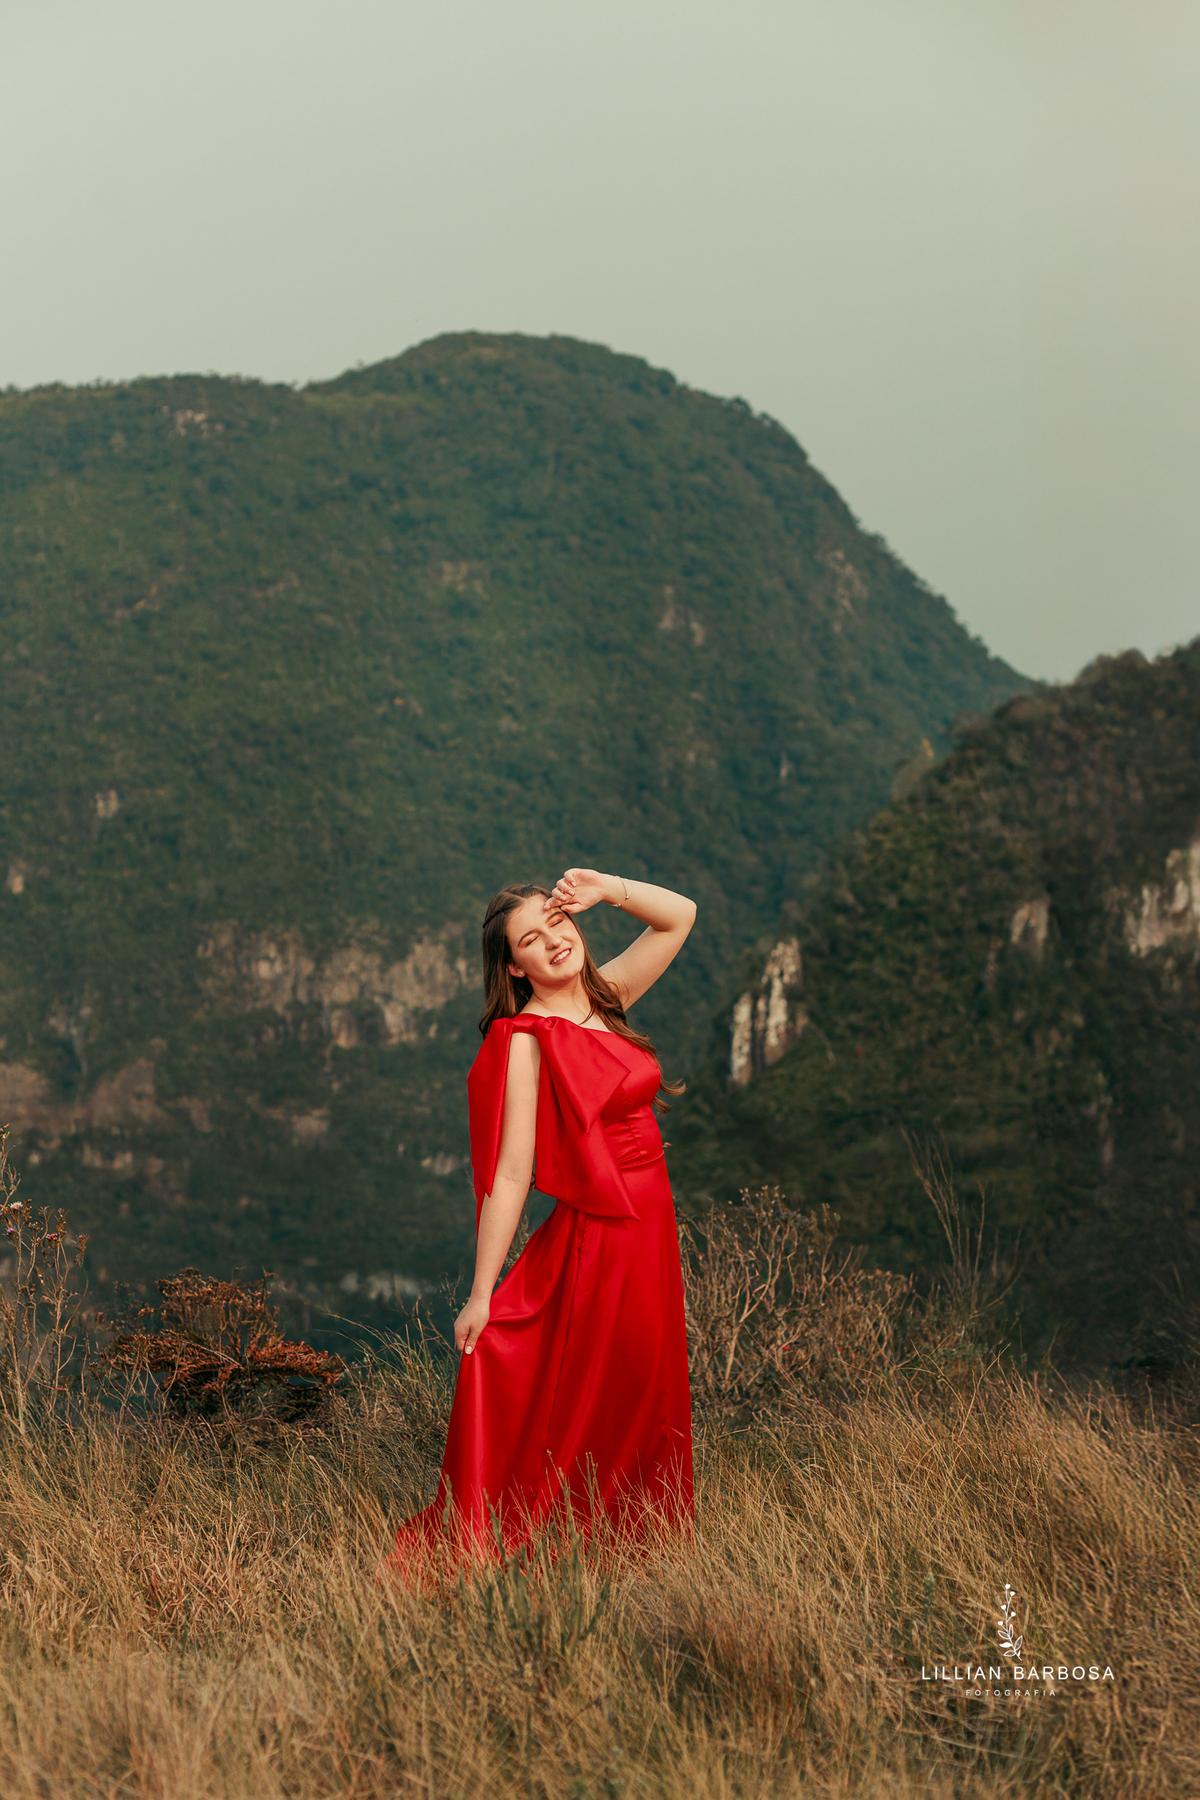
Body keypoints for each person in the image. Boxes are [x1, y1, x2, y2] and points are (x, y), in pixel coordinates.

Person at [391, 866, 697, 1562]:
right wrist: (481, 1294)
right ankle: (572, 1542)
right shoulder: (526, 1039)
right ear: (514, 967)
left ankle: (642, 1543)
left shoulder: (607, 997)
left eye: (557, 922)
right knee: (601, 1391)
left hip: (651, 1230)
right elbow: (510, 1174)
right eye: (531, 939)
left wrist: (607, 889)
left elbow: (679, 915)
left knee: (647, 1383)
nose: (555, 940)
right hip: (602, 1237)